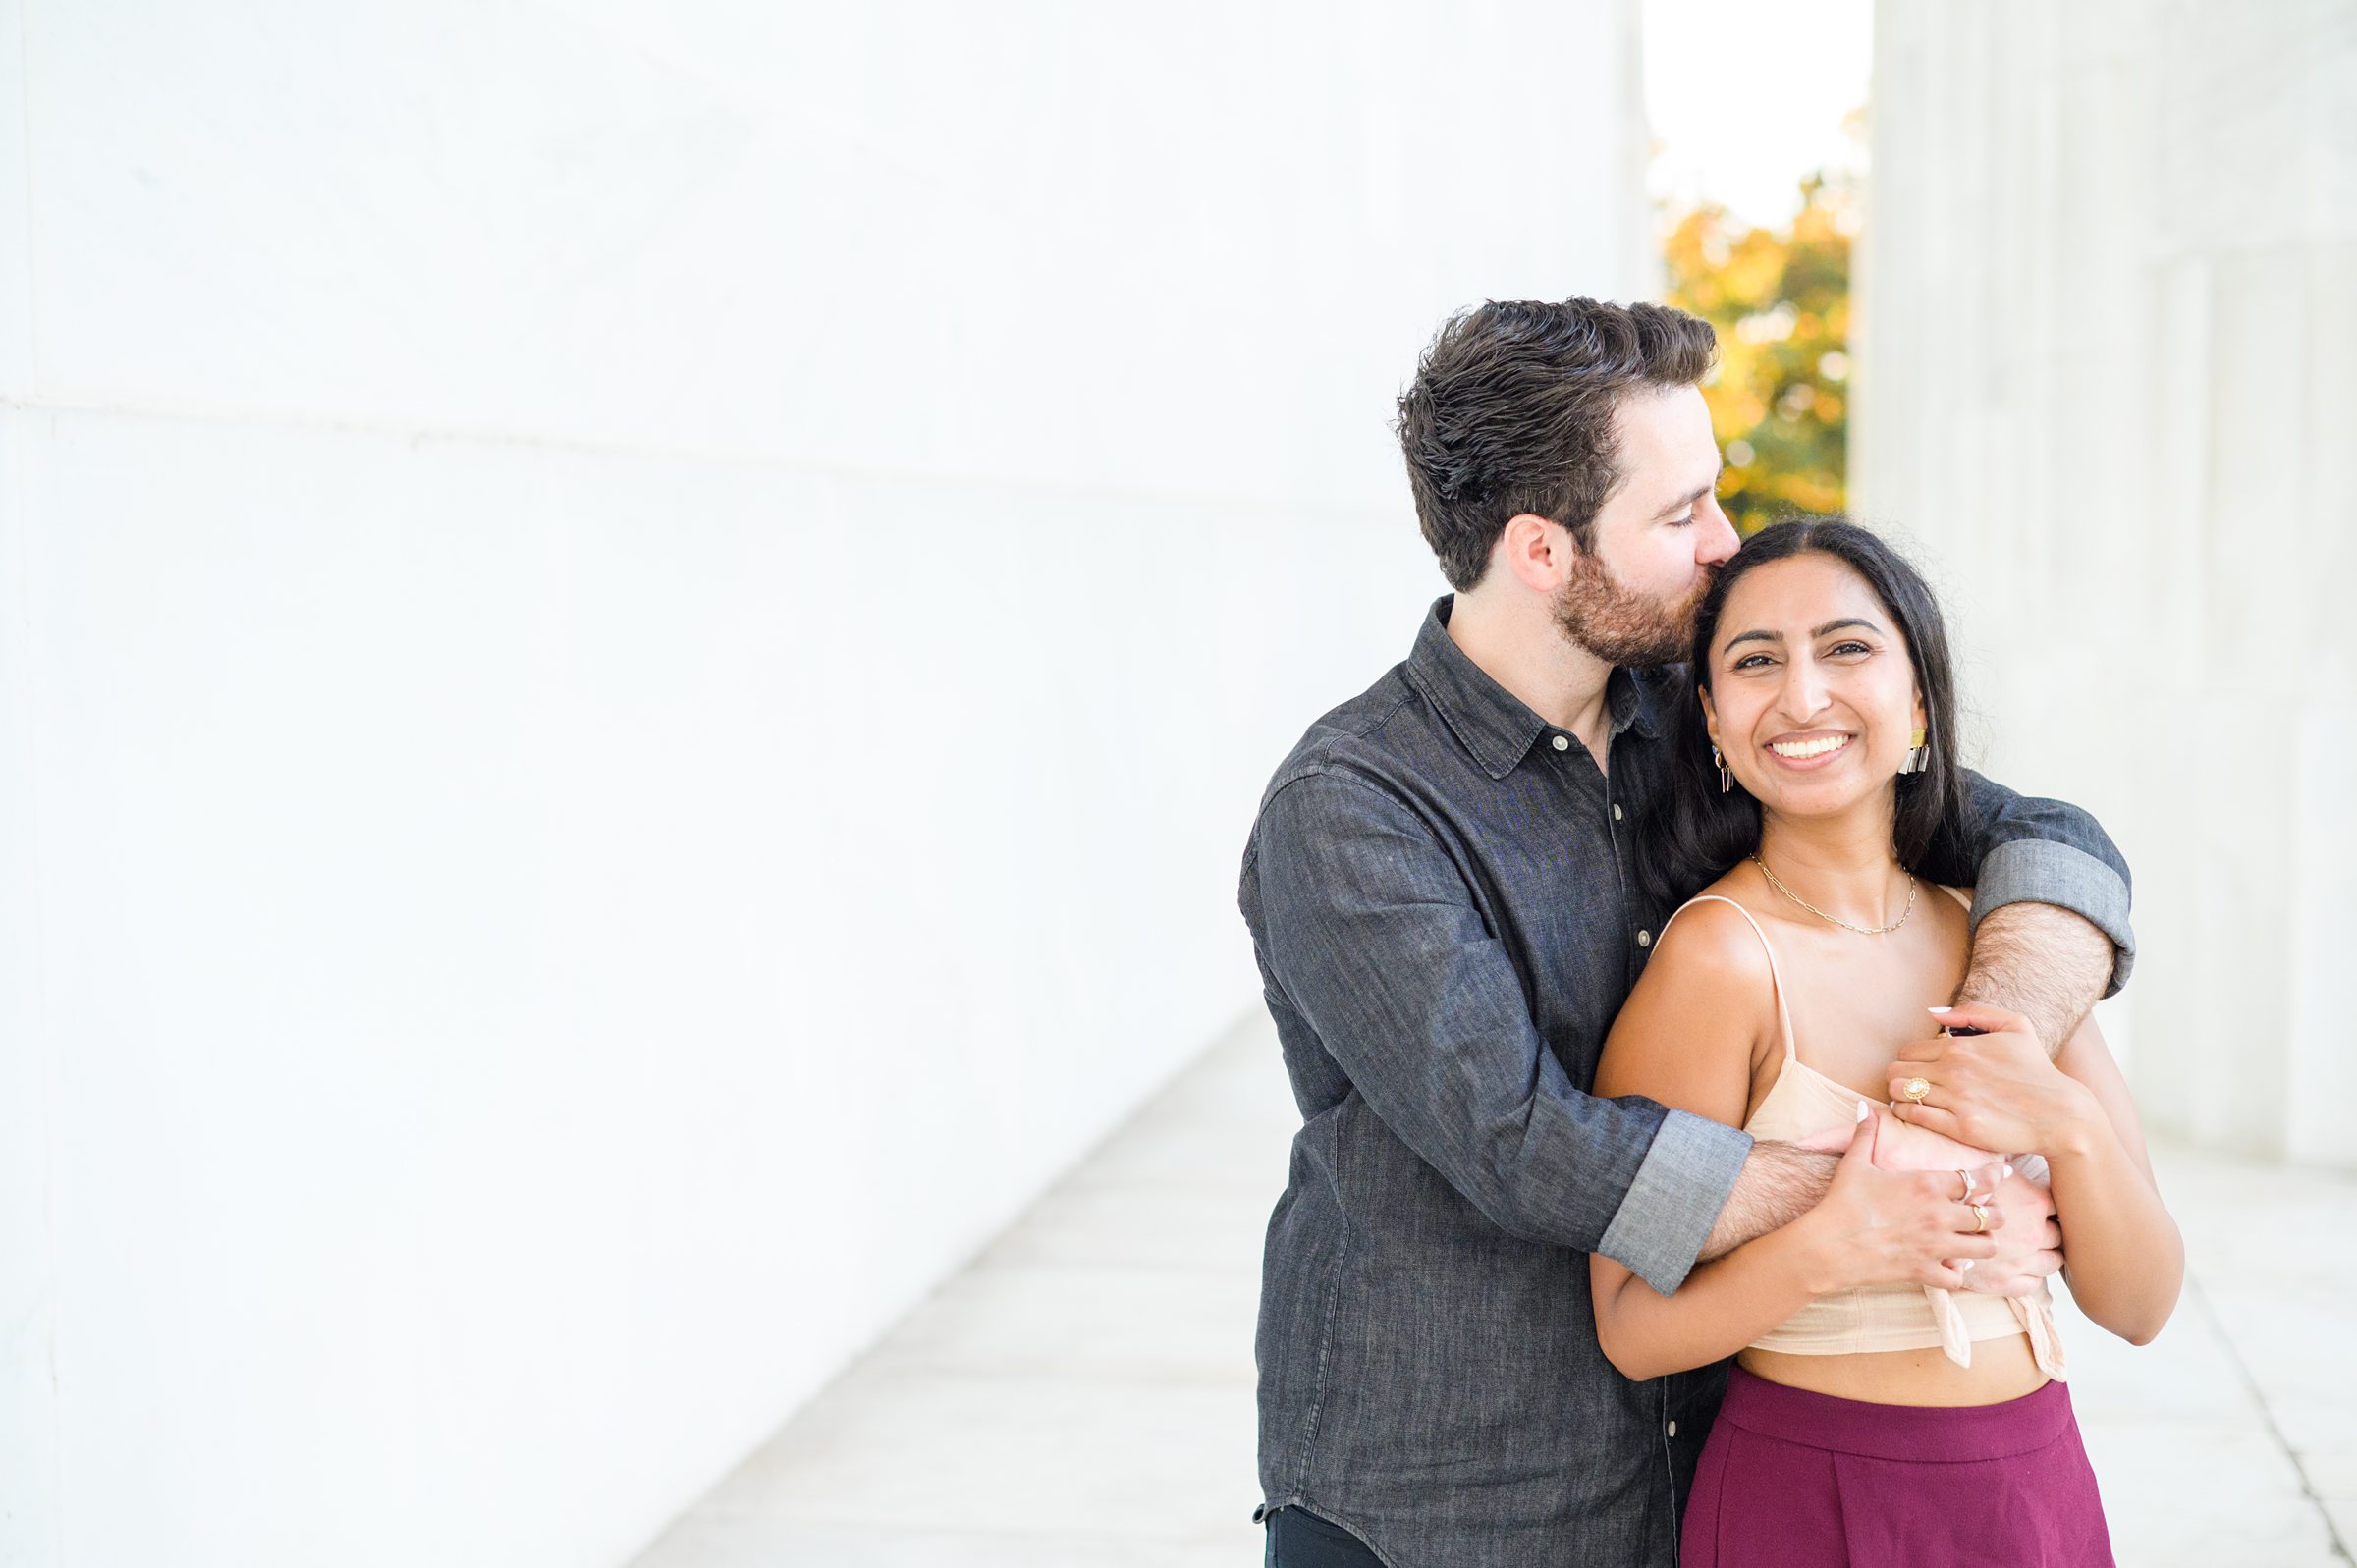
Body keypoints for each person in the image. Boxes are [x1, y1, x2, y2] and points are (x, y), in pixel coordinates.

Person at [1239, 297, 2137, 1566]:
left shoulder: (1711, 716)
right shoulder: (1352, 811)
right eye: (1681, 514)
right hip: (1442, 1496)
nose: (1725, 544)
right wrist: (1908, 1190)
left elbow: (2045, 843)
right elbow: (1526, 1145)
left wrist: (1997, 1067)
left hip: (1715, 1478)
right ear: (1543, 552)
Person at [1587, 517, 2181, 1566]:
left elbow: (2139, 1305)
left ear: (1917, 702)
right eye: (1755, 660)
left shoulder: (2000, 938)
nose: (1804, 695)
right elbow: (1631, 1328)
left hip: (2031, 1490)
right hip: (1810, 1495)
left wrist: (2069, 1127)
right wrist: (1835, 1243)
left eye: (1848, 648)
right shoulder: (1720, 961)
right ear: (1715, 724)